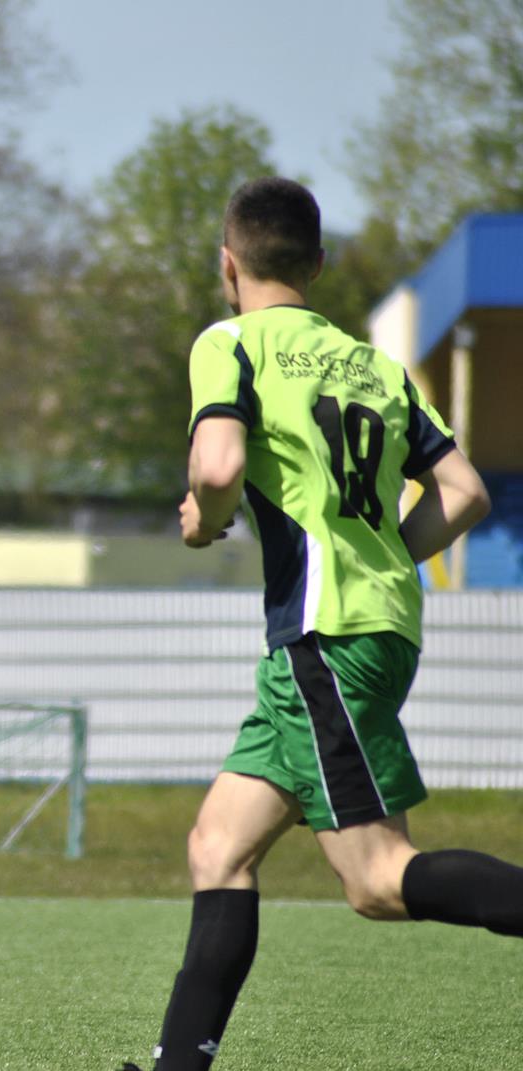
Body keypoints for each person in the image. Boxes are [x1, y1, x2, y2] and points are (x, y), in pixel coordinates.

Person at [122, 177, 512, 1071]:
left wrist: (203, 517)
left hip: (322, 640)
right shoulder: (374, 363)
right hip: (371, 630)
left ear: (229, 263)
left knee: (377, 881)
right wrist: (382, 561)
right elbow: (466, 493)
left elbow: (216, 465)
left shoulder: (230, 343)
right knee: (218, 844)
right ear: (320, 265)